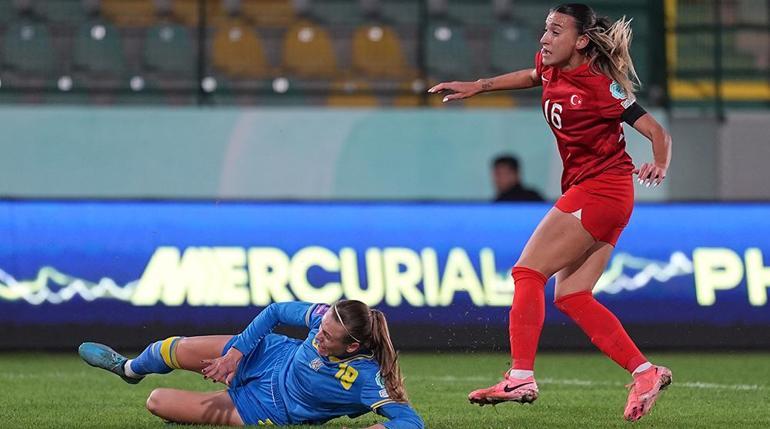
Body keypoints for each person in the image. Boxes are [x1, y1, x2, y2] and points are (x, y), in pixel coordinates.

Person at [428, 3, 673, 422]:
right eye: (545, 28)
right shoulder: (549, 64)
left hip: (601, 190)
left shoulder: (600, 86)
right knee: (573, 296)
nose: (545, 38)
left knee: (527, 273)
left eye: (556, 31)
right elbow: (530, 75)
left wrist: (659, 163)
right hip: (599, 194)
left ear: (580, 40)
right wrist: (480, 85)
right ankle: (645, 372)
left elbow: (655, 130)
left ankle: (521, 375)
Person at [79, 300, 424, 428]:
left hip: (266, 408)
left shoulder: (366, 377)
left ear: (351, 345)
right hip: (266, 355)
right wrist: (236, 353)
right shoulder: (323, 316)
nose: (318, 335)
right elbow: (275, 311)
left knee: (157, 402)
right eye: (320, 328)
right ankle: (127, 370)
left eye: (327, 337)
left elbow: (410, 421)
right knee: (167, 349)